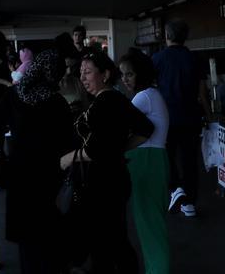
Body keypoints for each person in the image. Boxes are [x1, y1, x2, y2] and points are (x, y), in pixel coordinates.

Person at [0, 50, 72, 274]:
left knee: (27, 241)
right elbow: (69, 140)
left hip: (20, 174)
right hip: (49, 175)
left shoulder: (17, 95)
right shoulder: (57, 102)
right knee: (47, 233)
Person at [59, 51, 154, 274]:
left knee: (106, 241)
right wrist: (118, 149)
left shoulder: (106, 102)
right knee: (112, 238)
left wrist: (68, 159)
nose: (82, 77)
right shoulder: (114, 98)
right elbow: (145, 129)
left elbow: (98, 147)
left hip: (102, 183)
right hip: (111, 178)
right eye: (81, 72)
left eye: (88, 72)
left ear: (106, 74)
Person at [152, 19, 211, 219]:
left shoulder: (157, 59)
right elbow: (203, 92)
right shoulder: (195, 59)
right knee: (189, 160)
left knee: (167, 158)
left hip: (165, 119)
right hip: (191, 118)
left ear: (167, 36)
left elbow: (152, 90)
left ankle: (175, 189)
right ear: (186, 37)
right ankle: (189, 203)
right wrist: (209, 116)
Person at [120, 49, 171, 274]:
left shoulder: (144, 97)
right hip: (153, 161)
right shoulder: (152, 95)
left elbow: (118, 124)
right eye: (123, 74)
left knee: (150, 229)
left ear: (140, 74)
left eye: (129, 74)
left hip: (146, 163)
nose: (125, 79)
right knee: (152, 227)